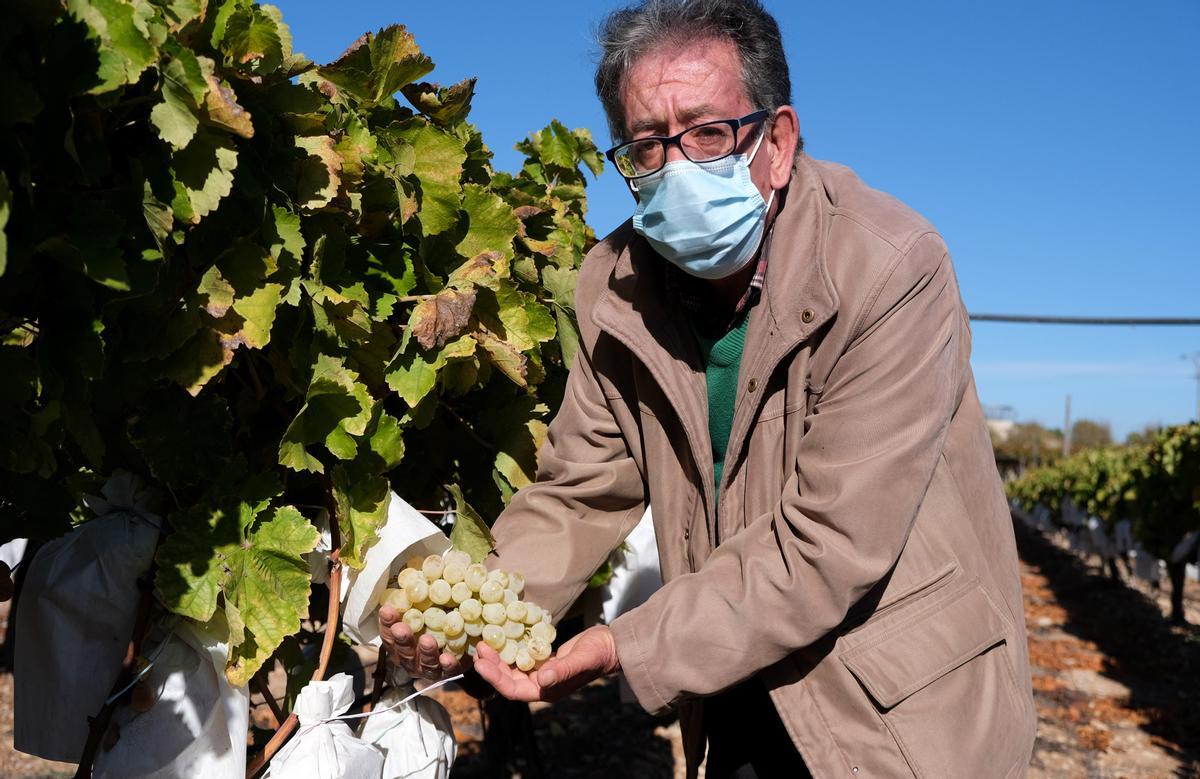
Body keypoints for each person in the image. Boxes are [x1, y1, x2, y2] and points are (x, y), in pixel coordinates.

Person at [381, 1, 1037, 776]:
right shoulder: (615, 287)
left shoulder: (891, 267)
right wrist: (480, 604)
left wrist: (626, 643)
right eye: (649, 145)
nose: (679, 165)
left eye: (707, 132)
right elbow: (580, 489)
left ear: (778, 141)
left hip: (896, 707)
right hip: (727, 676)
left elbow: (828, 541)